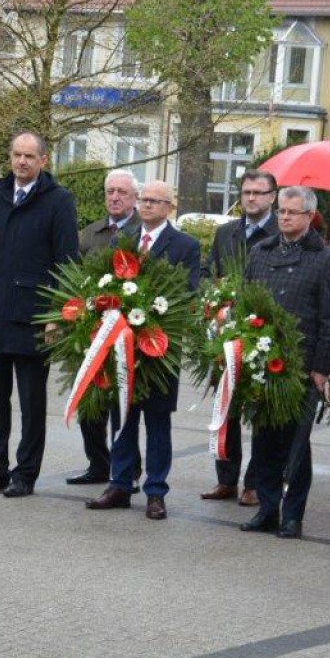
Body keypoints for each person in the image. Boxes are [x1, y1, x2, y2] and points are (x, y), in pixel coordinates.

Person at [0, 131, 79, 498]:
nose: (22, 162)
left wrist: (59, 314)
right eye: (16, 154)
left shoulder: (58, 201)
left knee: (31, 402)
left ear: (43, 161)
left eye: (30, 156)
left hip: (35, 317)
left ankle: (25, 473)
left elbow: (67, 263)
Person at [86, 180, 200, 520]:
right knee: (122, 419)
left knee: (157, 423)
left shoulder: (185, 245)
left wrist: (151, 317)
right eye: (145, 200)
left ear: (169, 206)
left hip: (160, 349)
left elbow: (188, 293)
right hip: (122, 348)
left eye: (155, 201)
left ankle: (155, 491)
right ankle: (119, 484)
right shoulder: (124, 240)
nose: (147, 206)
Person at [239, 186, 330, 539]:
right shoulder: (260, 252)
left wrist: (322, 368)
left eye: (292, 212)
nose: (284, 217)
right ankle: (268, 509)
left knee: (295, 442)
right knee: (264, 438)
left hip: (300, 366)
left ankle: (292, 515)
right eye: (282, 211)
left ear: (309, 217)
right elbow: (244, 302)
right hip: (262, 361)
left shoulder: (325, 259)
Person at [199, 169, 278, 506]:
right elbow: (207, 272)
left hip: (263, 333)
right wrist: (213, 294)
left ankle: (254, 483)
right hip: (227, 333)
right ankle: (226, 479)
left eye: (259, 193)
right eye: (246, 192)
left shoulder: (280, 232)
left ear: (272, 196)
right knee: (226, 405)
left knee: (260, 412)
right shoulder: (226, 233)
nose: (251, 198)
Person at [68, 169, 143, 486]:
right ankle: (98, 463)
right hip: (91, 331)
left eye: (122, 192)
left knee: (123, 403)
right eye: (110, 191)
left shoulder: (144, 232)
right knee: (89, 399)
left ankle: (128, 468)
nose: (114, 197)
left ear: (134, 197)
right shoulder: (89, 234)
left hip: (130, 333)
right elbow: (73, 277)